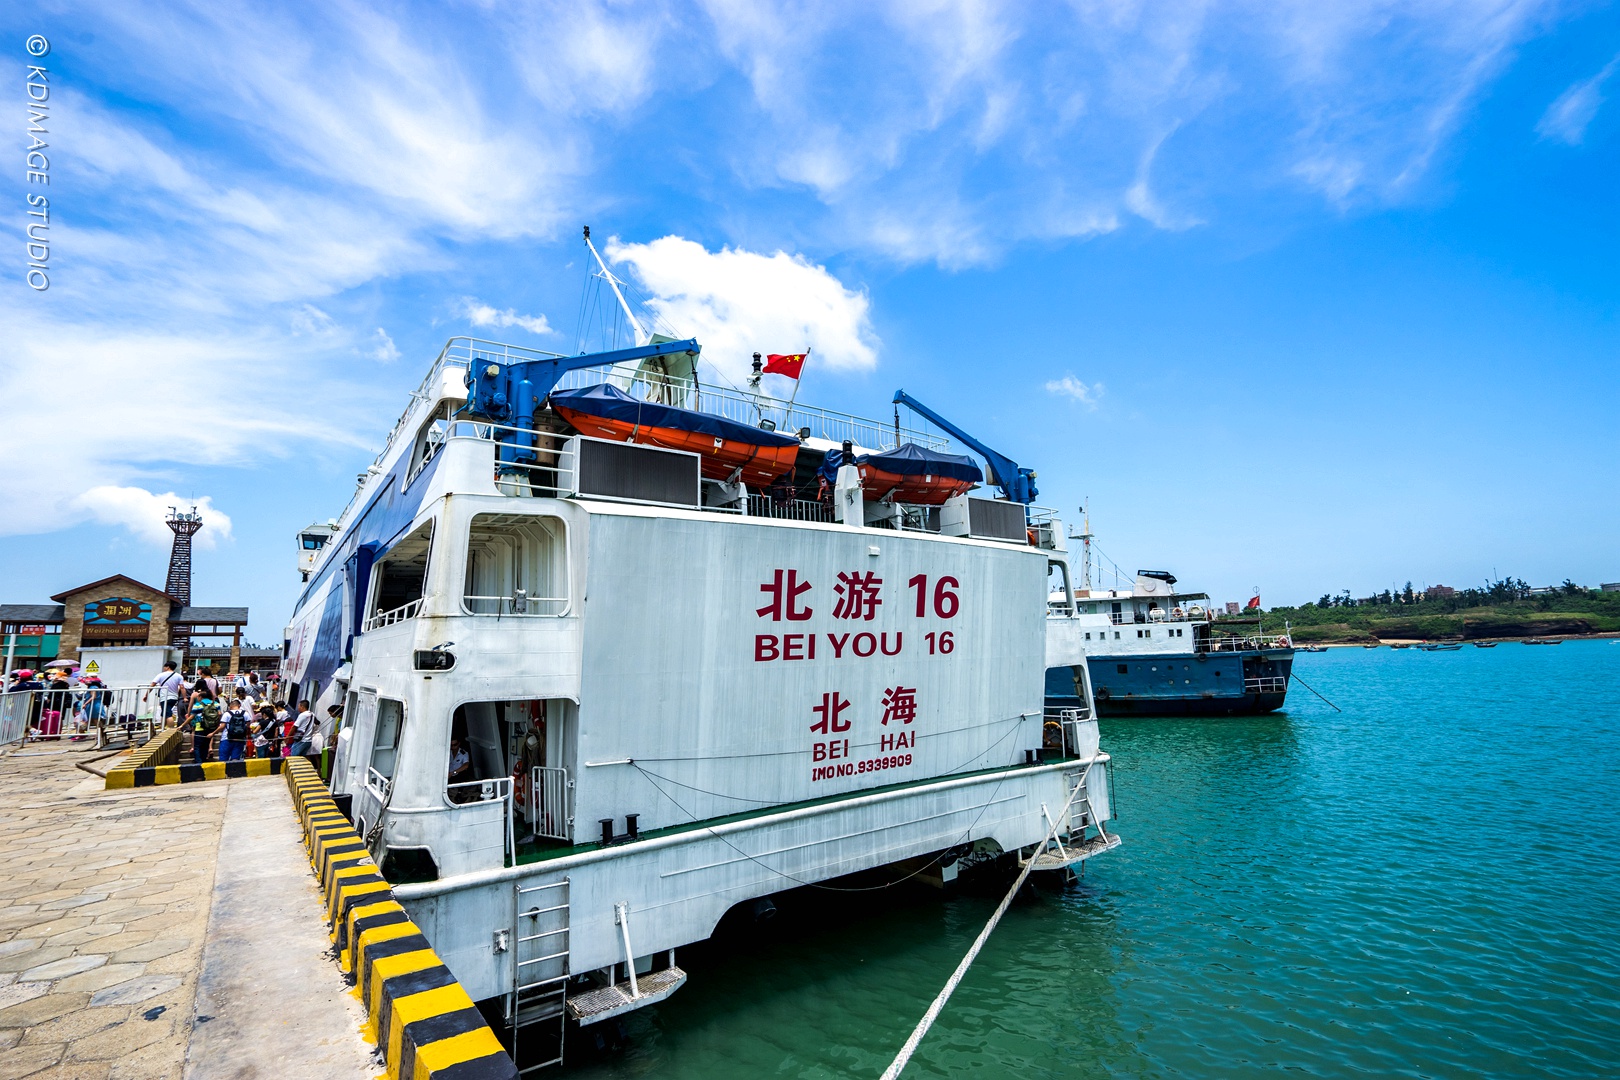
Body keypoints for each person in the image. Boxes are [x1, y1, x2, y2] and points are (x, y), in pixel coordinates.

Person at [189, 688, 222, 764]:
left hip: (200, 728)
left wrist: (182, 725)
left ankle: (198, 762)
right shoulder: (216, 703)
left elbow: (191, 717)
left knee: (197, 746)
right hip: (211, 728)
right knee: (206, 745)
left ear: (201, 697)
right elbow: (219, 714)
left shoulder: (198, 705)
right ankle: (203, 760)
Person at [218, 690, 251, 762]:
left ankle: (224, 772)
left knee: (223, 759)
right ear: (239, 705)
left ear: (230, 706)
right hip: (240, 739)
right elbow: (248, 726)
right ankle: (234, 772)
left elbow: (222, 726)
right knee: (235, 759)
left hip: (226, 738)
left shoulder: (227, 714)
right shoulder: (245, 713)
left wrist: (213, 733)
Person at [152, 661, 185, 726]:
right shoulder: (179, 676)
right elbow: (182, 687)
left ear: (168, 667)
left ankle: (171, 731)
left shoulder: (161, 675)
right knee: (164, 713)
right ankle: (162, 728)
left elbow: (152, 684)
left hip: (165, 697)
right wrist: (185, 697)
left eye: (165, 666)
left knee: (168, 714)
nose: (164, 668)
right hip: (174, 697)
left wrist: (146, 694)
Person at [447, 737, 473, 802]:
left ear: (458, 744)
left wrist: (453, 772)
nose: (453, 747)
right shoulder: (447, 752)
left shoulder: (463, 753)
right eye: (451, 745)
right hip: (447, 774)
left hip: (457, 774)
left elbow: (466, 765)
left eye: (454, 745)